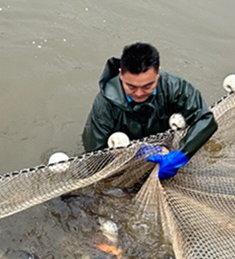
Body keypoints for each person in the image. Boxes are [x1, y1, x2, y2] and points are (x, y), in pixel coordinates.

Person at [82, 42, 218, 179]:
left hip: (164, 153)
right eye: (131, 87)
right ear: (120, 75)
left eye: (148, 86)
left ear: (158, 73)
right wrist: (133, 155)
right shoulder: (104, 104)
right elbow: (94, 155)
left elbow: (206, 120)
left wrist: (181, 155)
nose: (139, 93)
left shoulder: (175, 87)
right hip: (123, 161)